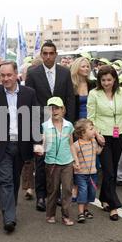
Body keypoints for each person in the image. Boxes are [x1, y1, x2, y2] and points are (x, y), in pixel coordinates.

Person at [0, 61, 40, 233]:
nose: (5, 79)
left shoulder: (29, 93)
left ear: (16, 74)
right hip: (0, 145)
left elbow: (35, 118)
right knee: (5, 181)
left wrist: (38, 142)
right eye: (2, 75)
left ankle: (7, 207)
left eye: (8, 75)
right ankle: (9, 218)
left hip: (21, 145)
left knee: (14, 180)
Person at [25, 41, 75, 212]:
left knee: (59, 160)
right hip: (40, 124)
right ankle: (41, 196)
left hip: (61, 124)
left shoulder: (64, 72)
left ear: (56, 54)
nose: (48, 56)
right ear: (41, 54)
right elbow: (29, 100)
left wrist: (69, 122)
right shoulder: (33, 73)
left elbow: (69, 97)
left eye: (51, 53)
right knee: (41, 160)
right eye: (44, 53)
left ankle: (56, 194)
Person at [87, 65, 122, 221]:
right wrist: (96, 134)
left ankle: (104, 197)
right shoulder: (94, 94)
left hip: (119, 134)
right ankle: (114, 206)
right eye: (103, 80)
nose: (106, 83)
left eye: (109, 79)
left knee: (113, 170)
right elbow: (91, 117)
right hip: (102, 136)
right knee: (108, 171)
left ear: (114, 79)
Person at [36, 97, 75, 226]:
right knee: (52, 190)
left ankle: (66, 216)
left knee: (67, 189)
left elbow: (71, 144)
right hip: (51, 163)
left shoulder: (69, 125)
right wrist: (40, 150)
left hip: (67, 162)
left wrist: (76, 160)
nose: (54, 111)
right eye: (51, 108)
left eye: (57, 108)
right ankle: (50, 214)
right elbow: (41, 142)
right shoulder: (45, 126)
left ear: (63, 109)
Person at [73, 119, 102, 223]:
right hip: (81, 174)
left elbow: (98, 151)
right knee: (83, 191)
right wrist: (74, 165)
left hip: (92, 173)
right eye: (91, 129)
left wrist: (101, 141)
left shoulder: (93, 142)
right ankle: (80, 212)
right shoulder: (76, 145)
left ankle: (86, 209)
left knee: (91, 191)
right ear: (83, 132)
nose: (94, 130)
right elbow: (73, 157)